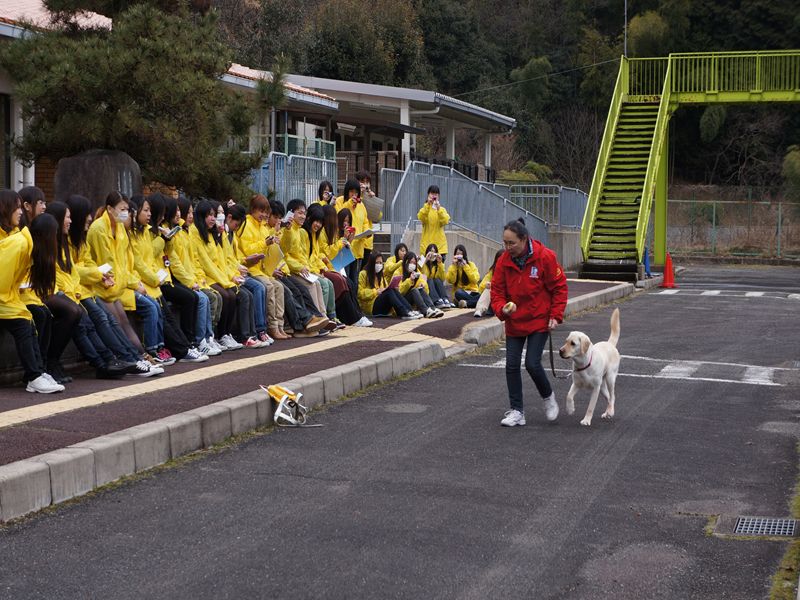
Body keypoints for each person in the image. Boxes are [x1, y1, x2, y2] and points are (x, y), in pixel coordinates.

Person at [64, 194, 162, 377]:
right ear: (110, 209)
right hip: (97, 286)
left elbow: (122, 262)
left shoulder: (117, 228)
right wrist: (101, 276)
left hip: (107, 284)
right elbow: (94, 264)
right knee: (108, 320)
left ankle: (136, 358)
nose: (89, 217)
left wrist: (123, 280)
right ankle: (131, 360)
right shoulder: (97, 230)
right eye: (122, 209)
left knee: (119, 320)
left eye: (127, 210)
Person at [490, 219, 568, 427]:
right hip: (514, 321)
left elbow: (559, 287)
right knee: (511, 365)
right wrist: (502, 309)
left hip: (538, 320)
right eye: (505, 243)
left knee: (532, 363)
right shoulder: (504, 261)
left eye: (511, 243)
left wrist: (555, 315)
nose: (507, 248)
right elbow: (496, 292)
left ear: (524, 239)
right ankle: (517, 411)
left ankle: (548, 397)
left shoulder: (545, 257)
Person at [45, 201, 132, 380]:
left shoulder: (71, 240)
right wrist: (96, 277)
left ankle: (123, 358)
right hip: (65, 293)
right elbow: (61, 274)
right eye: (67, 217)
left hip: (79, 290)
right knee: (86, 320)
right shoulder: (55, 242)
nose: (90, 218)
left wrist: (98, 276)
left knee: (98, 319)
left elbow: (77, 270)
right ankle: (108, 362)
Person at [0, 193, 63, 393]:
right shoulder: (19, 242)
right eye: (16, 207)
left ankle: (37, 372)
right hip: (6, 297)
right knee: (23, 321)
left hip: (11, 296)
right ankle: (34, 375)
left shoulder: (18, 238)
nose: (20, 212)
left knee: (32, 317)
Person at [303, 203, 371, 327]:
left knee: (348, 282)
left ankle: (356, 315)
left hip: (330, 265)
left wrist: (347, 242)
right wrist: (341, 243)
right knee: (340, 281)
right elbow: (326, 253)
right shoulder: (321, 232)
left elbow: (324, 253)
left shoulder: (328, 232)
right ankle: (347, 317)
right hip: (321, 267)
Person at [358, 252, 421, 320]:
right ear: (371, 263)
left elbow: (388, 289)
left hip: (382, 306)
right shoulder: (363, 274)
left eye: (380, 263)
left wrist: (395, 290)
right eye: (377, 262)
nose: (379, 265)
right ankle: (404, 312)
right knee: (389, 291)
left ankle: (409, 310)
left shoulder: (380, 276)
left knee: (392, 289)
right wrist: (375, 291)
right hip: (370, 306)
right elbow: (359, 293)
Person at [336, 179, 371, 293]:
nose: (354, 195)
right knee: (345, 279)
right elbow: (338, 215)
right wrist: (350, 204)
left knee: (354, 281)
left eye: (356, 192)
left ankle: (354, 306)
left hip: (358, 248)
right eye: (351, 192)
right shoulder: (340, 201)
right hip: (344, 247)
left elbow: (365, 221)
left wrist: (367, 232)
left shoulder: (362, 206)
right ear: (347, 192)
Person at [399, 252, 443, 318]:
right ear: (406, 262)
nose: (412, 265)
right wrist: (410, 280)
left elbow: (426, 290)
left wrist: (423, 285)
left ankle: (432, 308)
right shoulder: (398, 272)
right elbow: (399, 291)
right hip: (403, 300)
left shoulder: (417, 272)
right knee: (414, 290)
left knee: (420, 289)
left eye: (414, 263)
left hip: (415, 301)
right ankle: (425, 311)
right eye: (410, 262)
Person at [417, 185, 449, 260]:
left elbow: (445, 221)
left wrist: (439, 209)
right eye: (432, 193)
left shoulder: (442, 210)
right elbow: (421, 217)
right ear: (428, 195)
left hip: (440, 248)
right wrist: (428, 205)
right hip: (425, 247)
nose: (434, 196)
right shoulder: (424, 209)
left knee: (439, 270)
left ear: (439, 196)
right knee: (423, 269)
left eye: (436, 194)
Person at [446, 244, 481, 309]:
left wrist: (465, 266)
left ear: (464, 255)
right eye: (457, 255)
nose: (459, 257)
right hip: (461, 293)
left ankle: (466, 303)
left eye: (460, 255)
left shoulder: (471, 265)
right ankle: (475, 302)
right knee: (458, 292)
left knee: (480, 295)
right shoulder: (452, 267)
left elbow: (475, 279)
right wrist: (454, 267)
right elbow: (450, 280)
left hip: (472, 292)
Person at [420, 243, 453, 309]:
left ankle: (444, 299)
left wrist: (440, 263)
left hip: (433, 287)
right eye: (431, 251)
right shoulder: (422, 260)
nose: (433, 254)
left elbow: (442, 278)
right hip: (424, 285)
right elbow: (423, 275)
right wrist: (426, 260)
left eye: (434, 252)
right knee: (430, 280)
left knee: (437, 280)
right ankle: (436, 300)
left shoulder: (437, 264)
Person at [474, 249, 503, 318]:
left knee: (462, 294)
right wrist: (488, 284)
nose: (501, 261)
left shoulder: (510, 270)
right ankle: (479, 310)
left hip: (504, 299)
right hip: (492, 297)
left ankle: (467, 302)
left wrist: (466, 267)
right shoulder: (492, 271)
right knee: (459, 293)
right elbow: (481, 286)